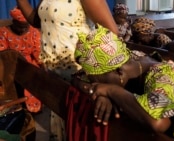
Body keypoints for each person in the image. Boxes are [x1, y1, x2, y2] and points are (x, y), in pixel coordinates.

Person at [16, 0, 120, 140]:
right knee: (61, 130)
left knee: (78, 132)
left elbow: (111, 33)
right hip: (56, 79)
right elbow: (39, 20)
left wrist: (105, 82)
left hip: (82, 78)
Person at [0, 7, 42, 113]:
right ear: (14, 22)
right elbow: (3, 53)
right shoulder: (3, 32)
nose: (23, 30)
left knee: (32, 76)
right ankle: (12, 107)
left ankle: (32, 108)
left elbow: (38, 53)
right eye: (20, 27)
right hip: (9, 64)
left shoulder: (33, 32)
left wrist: (43, 67)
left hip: (29, 63)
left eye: (25, 27)